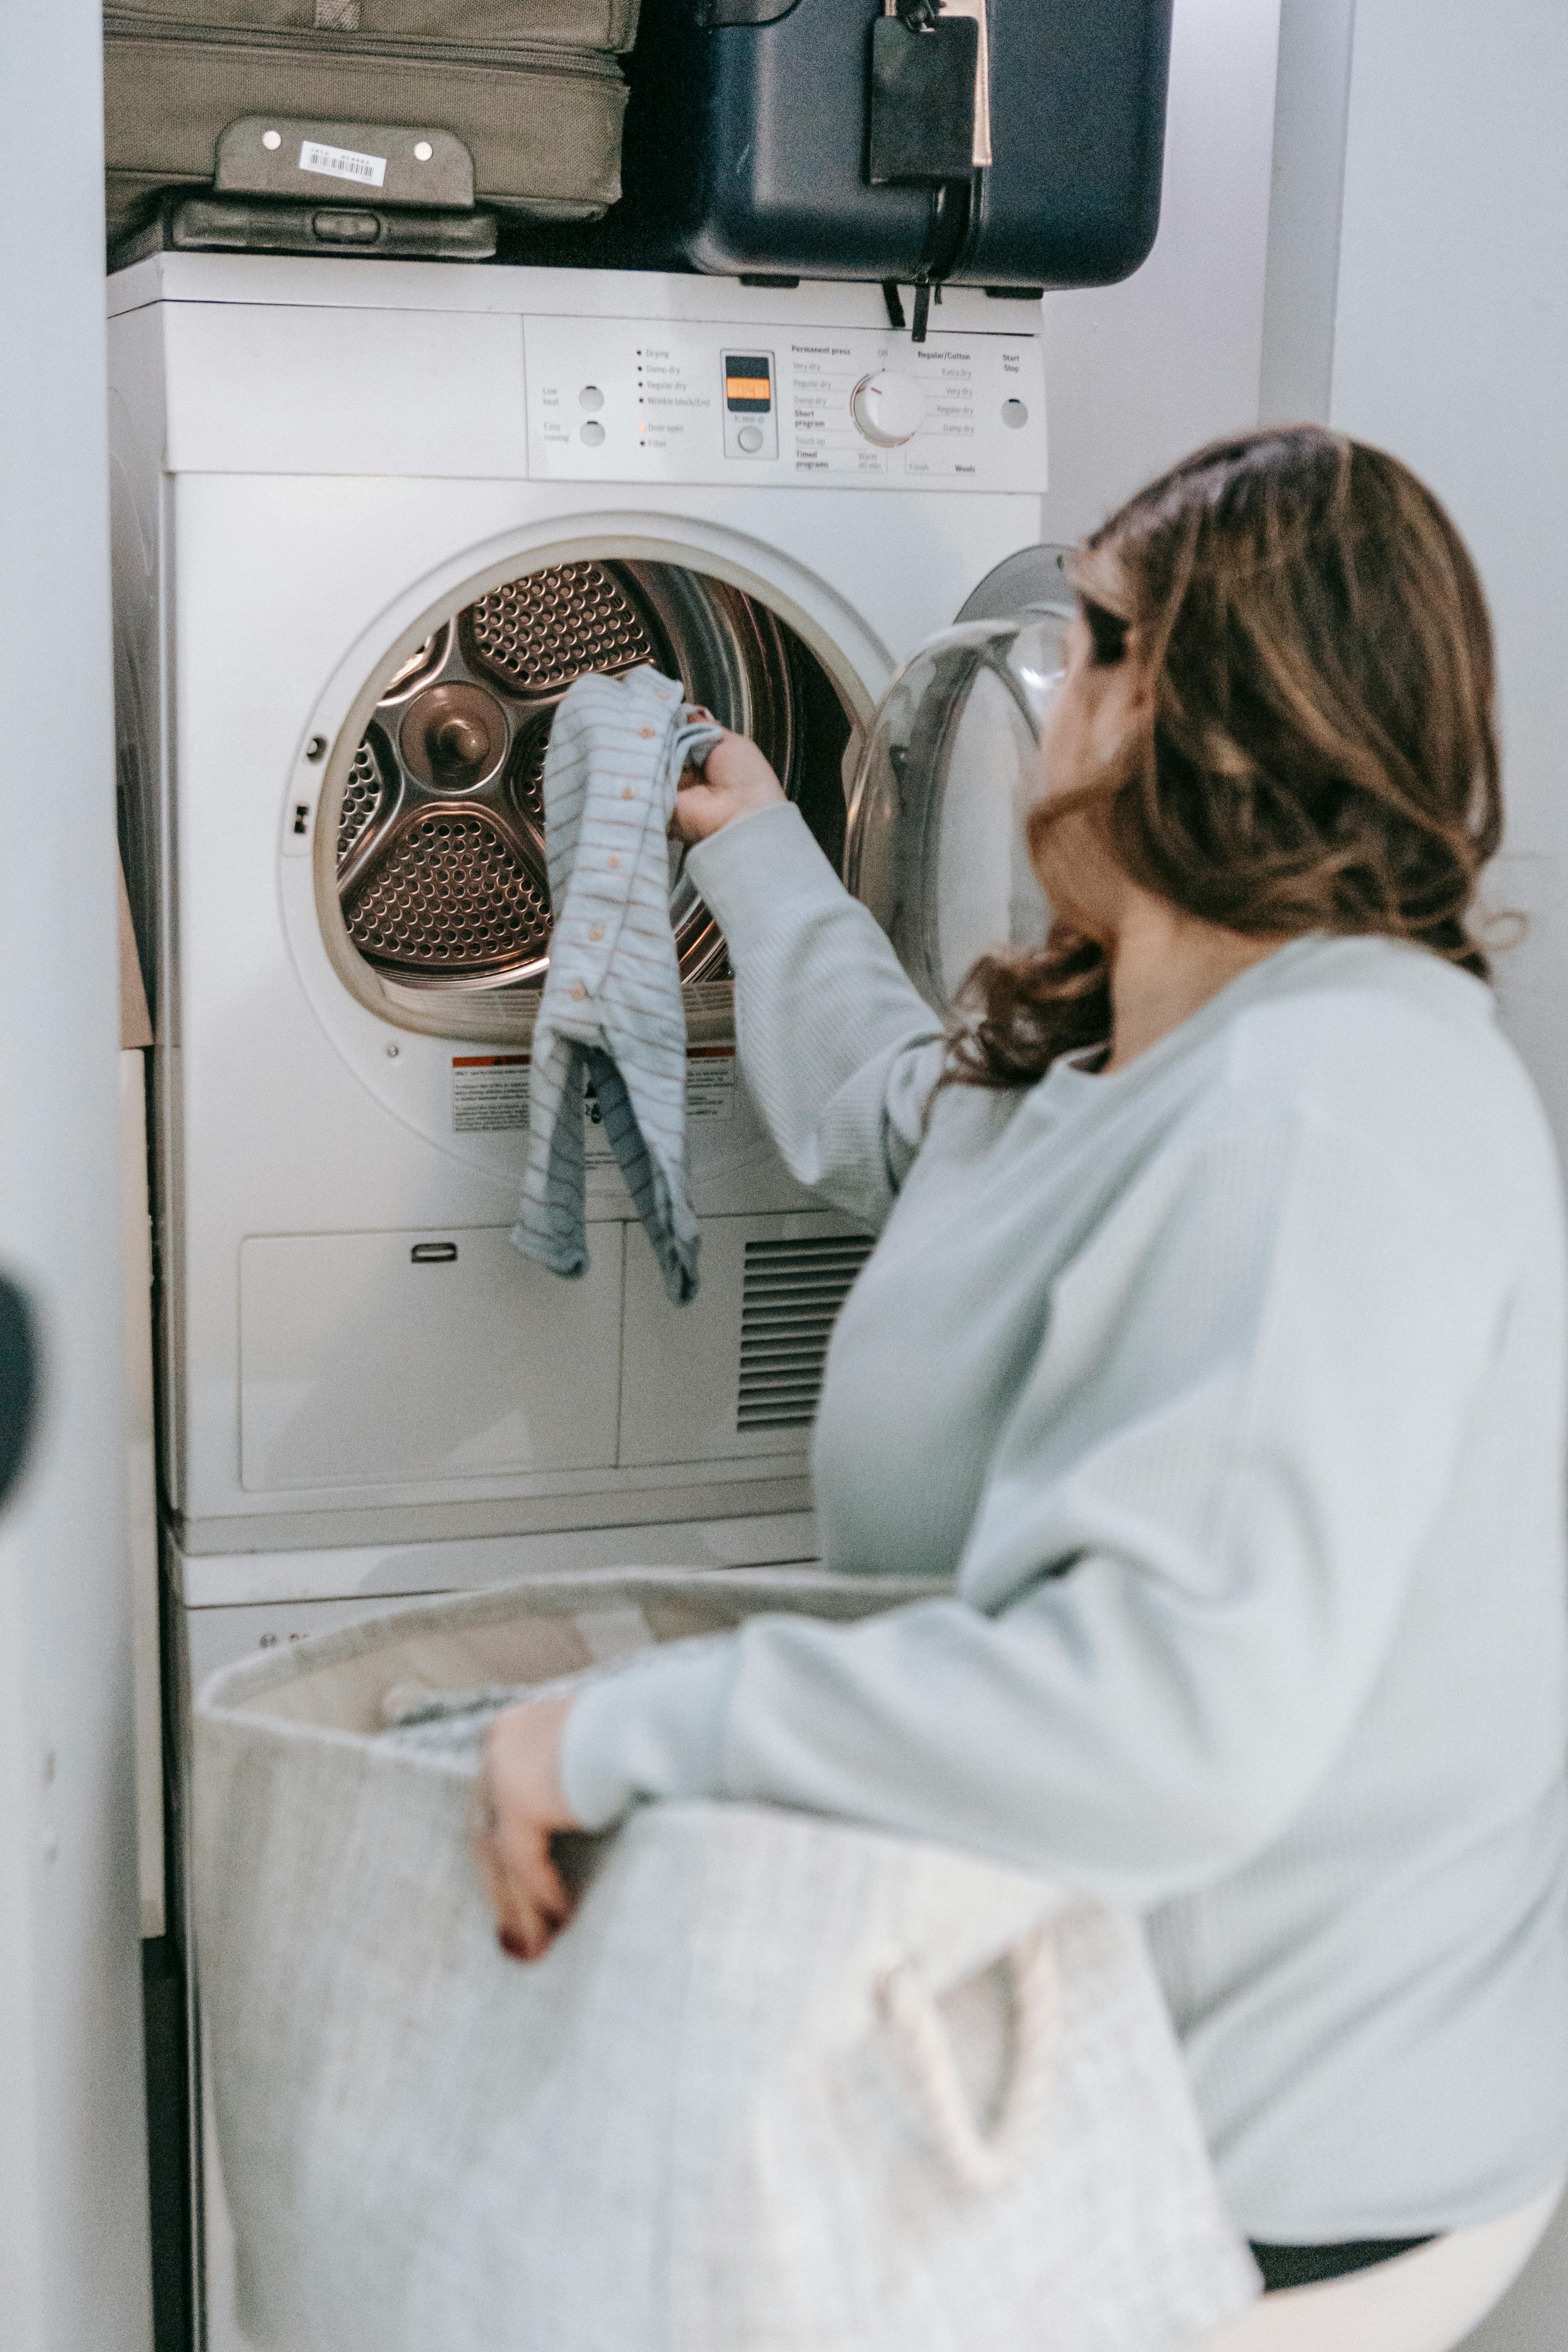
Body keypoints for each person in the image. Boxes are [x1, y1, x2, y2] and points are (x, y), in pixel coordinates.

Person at [473, 426, 1568, 2289]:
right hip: (1079, 2068)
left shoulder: (1335, 1099)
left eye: (1095, 639)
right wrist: (756, 855)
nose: (1048, 690)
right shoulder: (1132, 1045)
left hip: (1267, 2190)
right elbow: (918, 1132)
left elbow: (1160, 1719)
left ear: (1221, 704)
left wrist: (622, 1739)